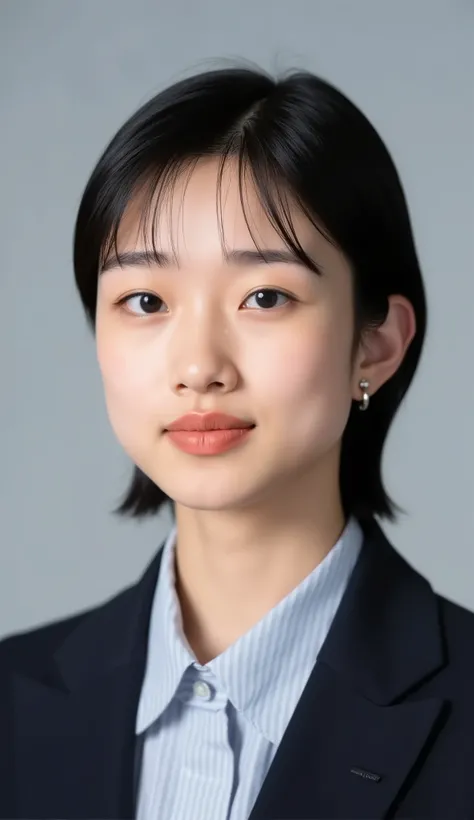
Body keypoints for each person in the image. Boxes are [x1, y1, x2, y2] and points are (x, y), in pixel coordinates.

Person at [1, 63, 473, 820]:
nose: (198, 367)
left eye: (265, 296)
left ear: (376, 344)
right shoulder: (13, 703)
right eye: (144, 300)